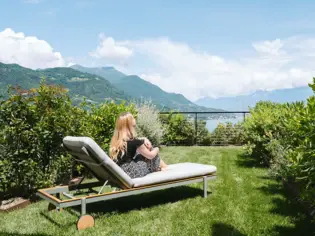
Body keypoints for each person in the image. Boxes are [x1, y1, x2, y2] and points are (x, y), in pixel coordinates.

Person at [109, 112, 168, 179]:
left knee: (141, 152)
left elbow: (133, 141)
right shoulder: (135, 142)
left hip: (120, 173)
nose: (135, 119)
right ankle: (164, 167)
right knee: (151, 150)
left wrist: (144, 139)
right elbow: (150, 156)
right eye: (133, 118)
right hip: (134, 173)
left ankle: (162, 167)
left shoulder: (116, 141)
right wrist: (157, 148)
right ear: (129, 123)